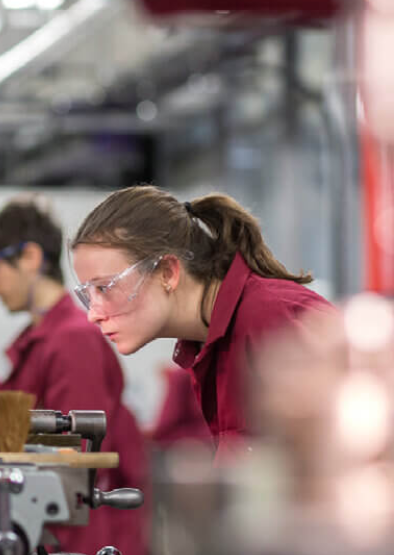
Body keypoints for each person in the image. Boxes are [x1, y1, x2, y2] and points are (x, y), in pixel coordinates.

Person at [70, 185, 333, 462]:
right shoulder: (207, 343)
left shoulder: (270, 320)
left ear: (167, 273)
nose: (93, 314)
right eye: (87, 296)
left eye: (105, 288)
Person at [0, 199, 149, 555]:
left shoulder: (71, 341)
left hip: (75, 539)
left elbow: (77, 467)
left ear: (31, 257)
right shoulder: (41, 341)